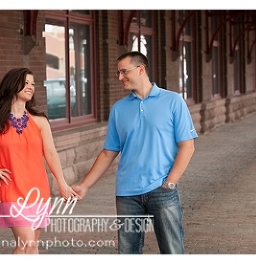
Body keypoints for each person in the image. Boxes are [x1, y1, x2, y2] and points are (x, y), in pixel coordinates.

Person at [71, 51, 198, 254]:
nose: (120, 77)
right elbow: (108, 152)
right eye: (118, 73)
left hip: (162, 190)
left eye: (124, 72)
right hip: (127, 194)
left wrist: (170, 182)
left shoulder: (173, 101)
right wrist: (84, 185)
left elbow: (187, 146)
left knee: (172, 251)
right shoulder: (119, 109)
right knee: (128, 253)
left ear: (141, 69)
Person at [0, 67, 78, 254]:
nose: (31, 87)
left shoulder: (39, 120)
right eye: (26, 83)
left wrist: (62, 183)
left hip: (38, 190)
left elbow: (51, 154)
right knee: (28, 243)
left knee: (29, 246)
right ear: (13, 85)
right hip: (11, 189)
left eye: (33, 83)